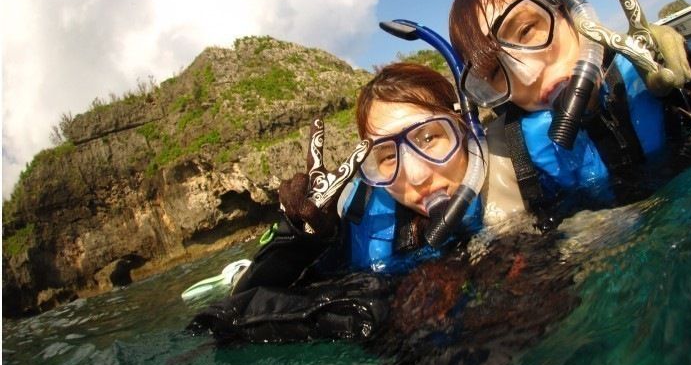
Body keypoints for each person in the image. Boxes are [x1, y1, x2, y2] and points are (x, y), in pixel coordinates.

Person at [189, 62, 486, 343]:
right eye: (387, 157)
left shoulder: (514, 179)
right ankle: (237, 267)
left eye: (429, 138)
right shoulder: (356, 216)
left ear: (462, 126)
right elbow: (241, 305)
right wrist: (302, 239)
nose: (417, 175)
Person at [447, 0, 691, 226]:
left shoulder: (646, 69)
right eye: (498, 74)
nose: (528, 75)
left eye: (527, 30)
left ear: (568, 9)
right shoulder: (511, 151)